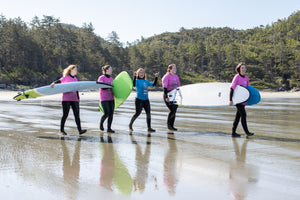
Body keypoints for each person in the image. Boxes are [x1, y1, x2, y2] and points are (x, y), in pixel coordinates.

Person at [50, 65, 87, 136]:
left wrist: (78, 98)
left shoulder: (76, 79)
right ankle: (62, 130)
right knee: (65, 115)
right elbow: (59, 81)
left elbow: (76, 89)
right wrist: (54, 83)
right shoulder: (66, 77)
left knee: (77, 115)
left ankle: (80, 130)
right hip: (66, 99)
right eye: (75, 69)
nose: (76, 71)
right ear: (71, 70)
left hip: (74, 99)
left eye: (76, 69)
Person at [129, 68, 159, 132]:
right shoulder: (137, 80)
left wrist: (156, 77)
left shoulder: (146, 81)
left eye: (142, 72)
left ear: (144, 74)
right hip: (139, 100)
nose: (141, 74)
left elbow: (153, 85)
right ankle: (130, 125)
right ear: (138, 74)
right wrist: (134, 76)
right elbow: (133, 84)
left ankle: (149, 128)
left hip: (146, 100)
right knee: (137, 113)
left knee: (148, 113)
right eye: (140, 72)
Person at [229, 62, 254, 137]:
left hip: (243, 100)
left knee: (238, 116)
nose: (243, 69)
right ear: (239, 69)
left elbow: (247, 90)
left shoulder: (246, 78)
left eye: (244, 68)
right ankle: (247, 132)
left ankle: (233, 132)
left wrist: (248, 101)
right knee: (244, 114)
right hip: (237, 100)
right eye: (242, 68)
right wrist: (230, 100)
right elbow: (232, 88)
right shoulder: (237, 77)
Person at [162, 64, 180, 131]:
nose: (175, 69)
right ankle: (169, 125)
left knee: (174, 111)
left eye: (175, 68)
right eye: (174, 68)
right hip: (168, 95)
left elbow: (178, 87)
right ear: (170, 69)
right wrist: (166, 97)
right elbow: (165, 88)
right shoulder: (166, 77)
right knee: (172, 110)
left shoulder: (176, 77)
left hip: (175, 95)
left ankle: (172, 126)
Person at [98, 65, 115, 133]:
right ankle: (101, 123)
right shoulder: (101, 78)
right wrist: (110, 85)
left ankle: (109, 128)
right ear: (106, 70)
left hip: (111, 98)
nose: (111, 70)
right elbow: (102, 87)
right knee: (106, 113)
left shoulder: (112, 79)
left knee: (111, 114)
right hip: (104, 98)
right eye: (110, 69)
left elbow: (115, 89)